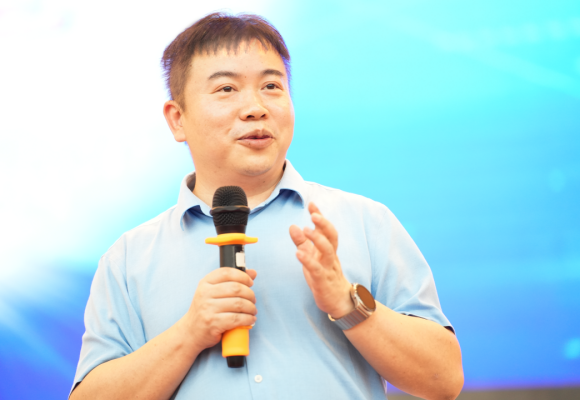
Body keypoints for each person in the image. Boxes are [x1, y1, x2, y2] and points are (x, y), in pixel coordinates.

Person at [70, 12, 463, 400]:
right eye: (227, 89)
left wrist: (347, 302)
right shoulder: (128, 259)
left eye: (271, 86)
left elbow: (444, 379)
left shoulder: (365, 222)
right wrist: (189, 333)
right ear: (177, 119)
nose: (255, 107)